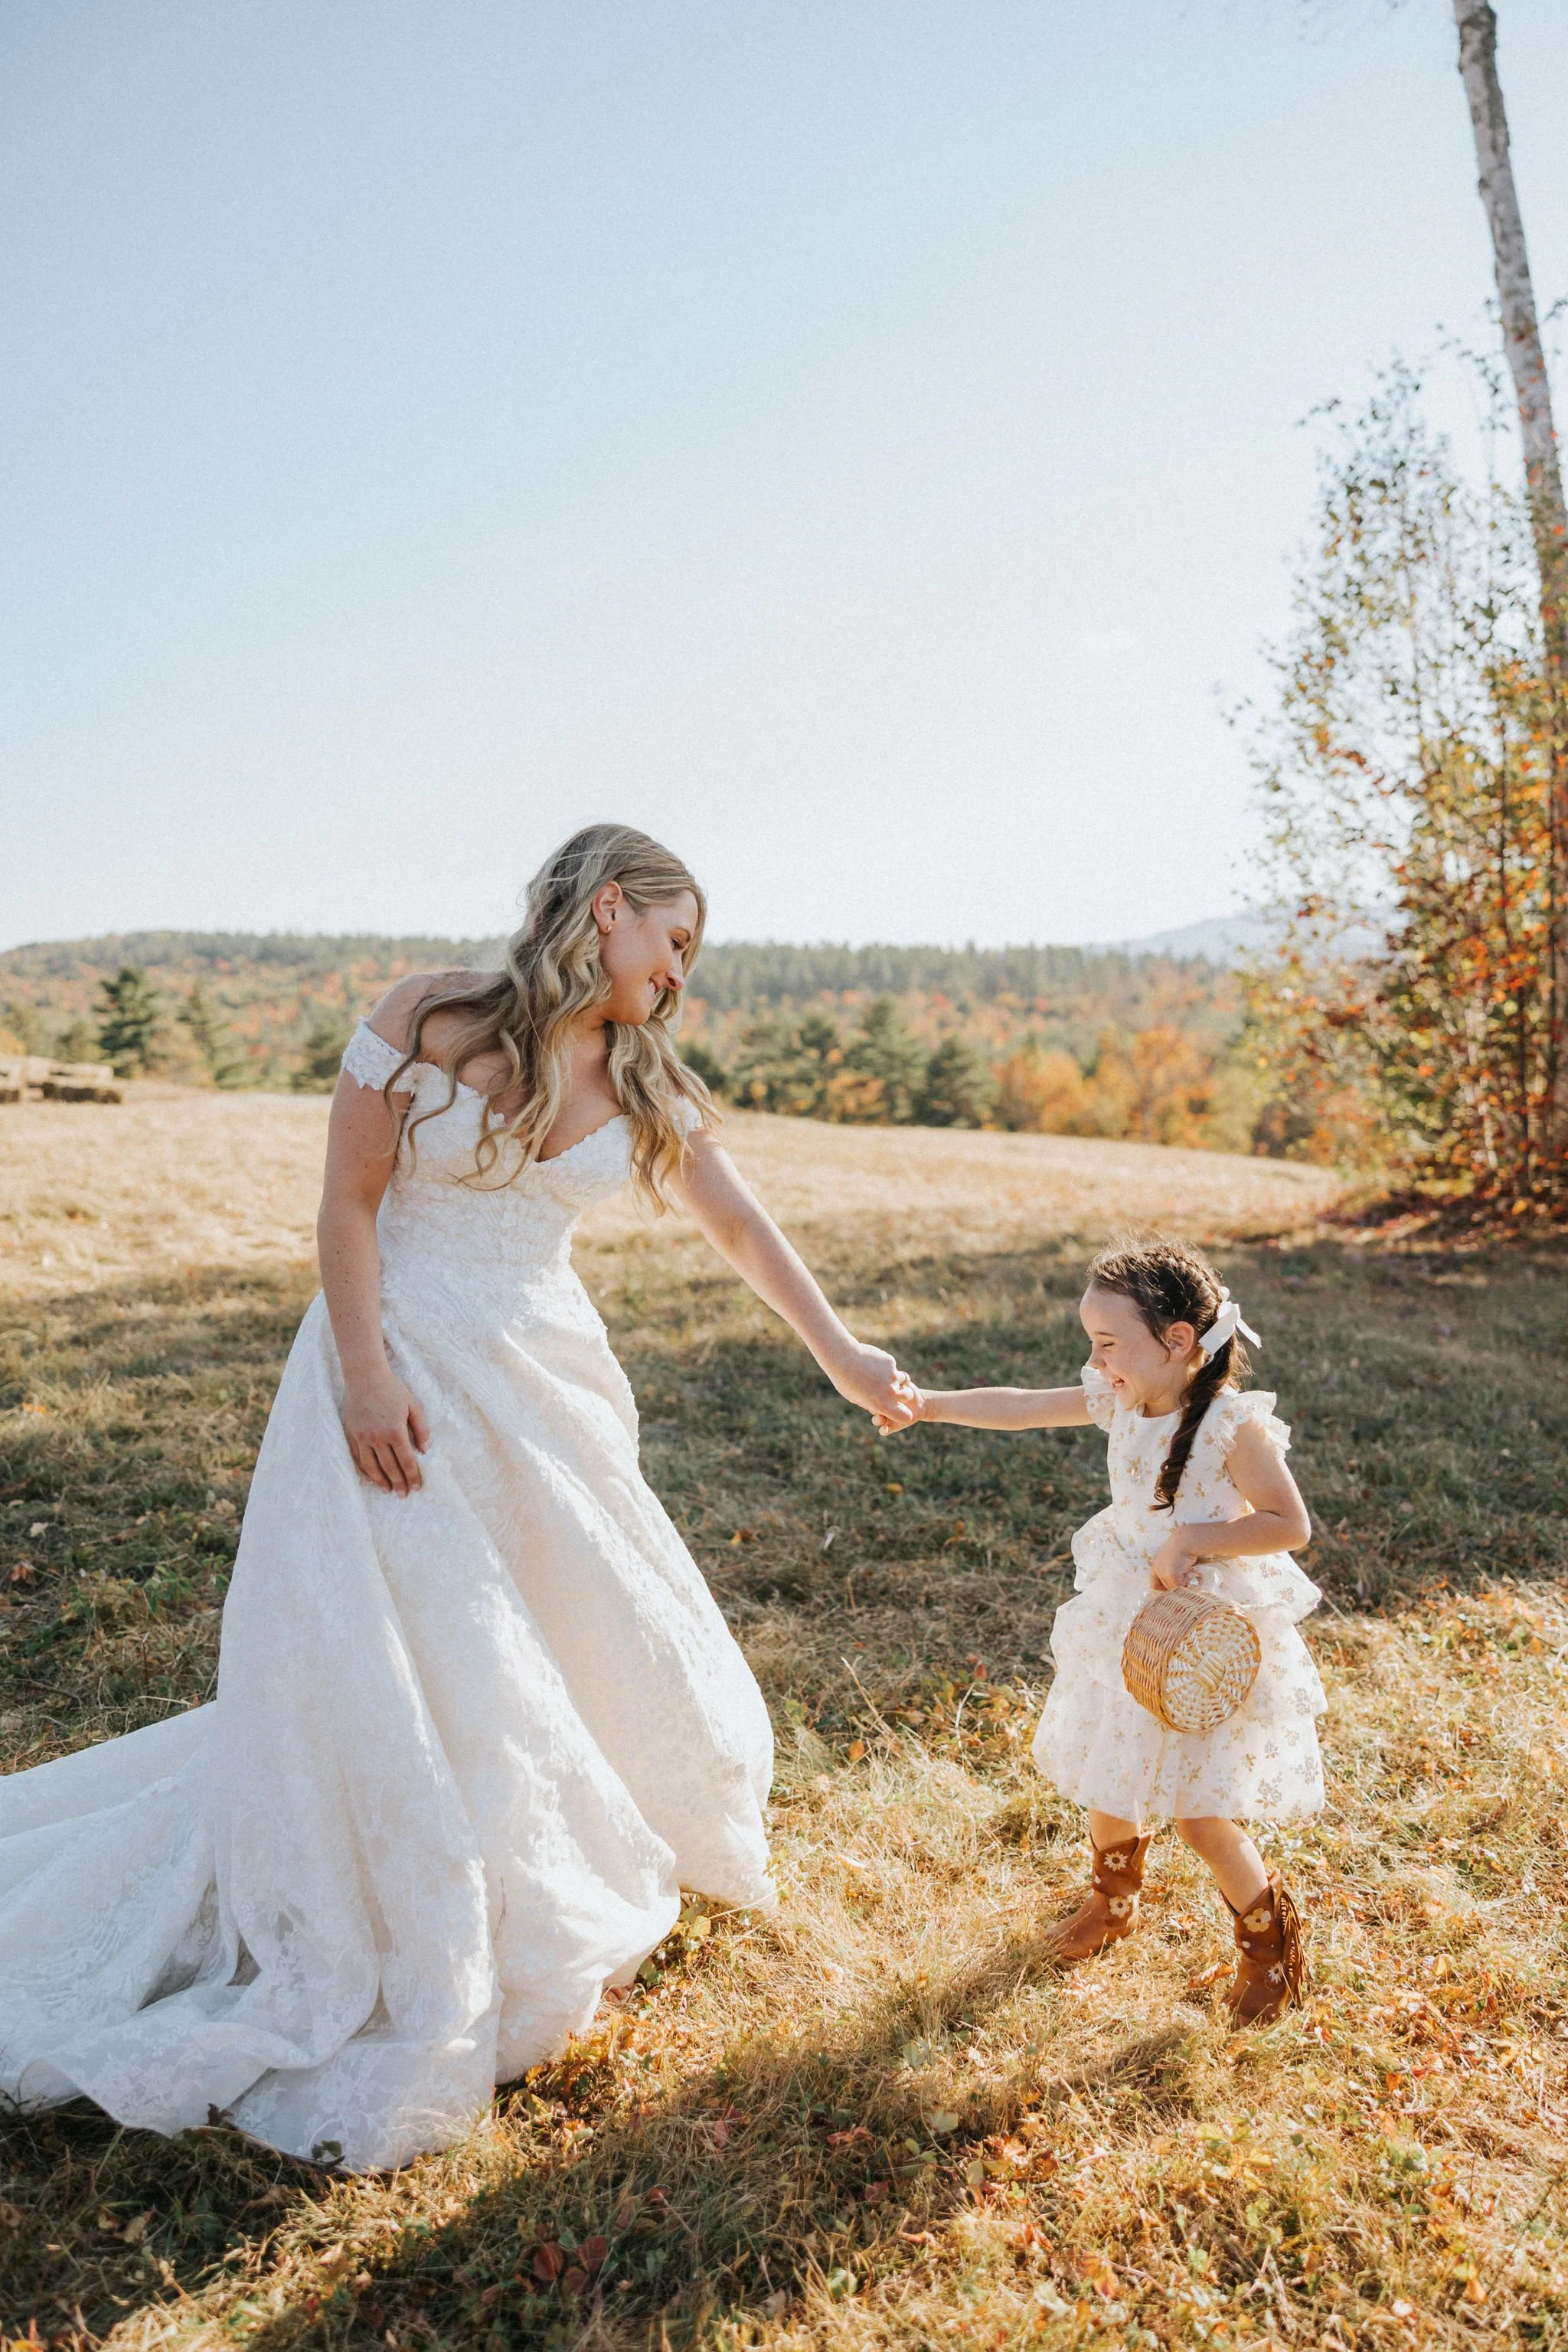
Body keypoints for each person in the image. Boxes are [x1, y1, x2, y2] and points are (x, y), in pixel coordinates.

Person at [0, 824, 916, 2169]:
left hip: (540, 1376)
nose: (677, 975)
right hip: (396, 1365)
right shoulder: (418, 1020)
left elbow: (738, 1222)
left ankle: (526, 1858)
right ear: (608, 908)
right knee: (411, 1632)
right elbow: (349, 1202)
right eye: (673, 941)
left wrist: (841, 1352)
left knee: (545, 1626)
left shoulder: (647, 1073)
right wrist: (364, 1378)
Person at [877, 1239, 1322, 2024]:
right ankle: (1112, 1901)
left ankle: (1267, 1945)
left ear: (1175, 1341)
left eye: (1107, 1344)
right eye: (1093, 1343)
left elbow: (1289, 1524)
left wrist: (1193, 1541)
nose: (1097, 1360)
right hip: (1127, 1614)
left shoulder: (1230, 1427)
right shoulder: (1120, 1398)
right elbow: (1021, 1405)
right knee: (1108, 1765)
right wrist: (930, 1405)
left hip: (1202, 1636)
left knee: (1198, 1811)